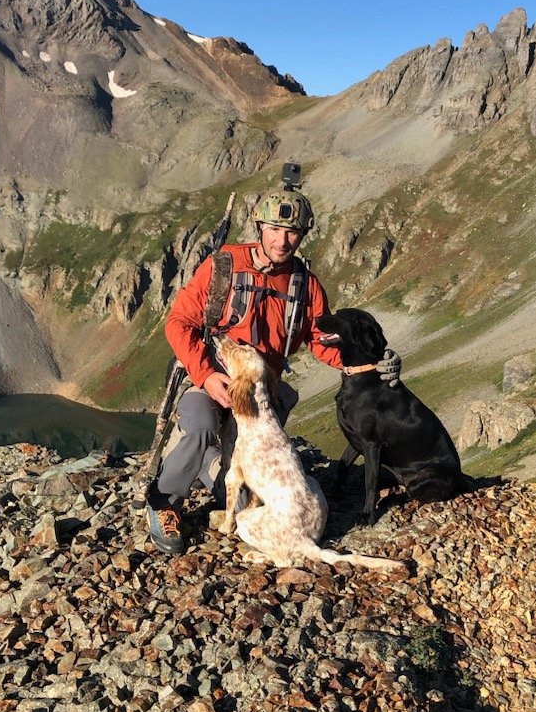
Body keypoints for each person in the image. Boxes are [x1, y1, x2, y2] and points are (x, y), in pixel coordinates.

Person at [146, 183, 399, 555]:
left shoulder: (305, 287)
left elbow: (321, 341)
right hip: (215, 376)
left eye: (292, 232)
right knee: (200, 426)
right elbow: (178, 322)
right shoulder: (224, 267)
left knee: (242, 495)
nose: (282, 241)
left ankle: (211, 466)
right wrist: (204, 375)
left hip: (264, 395)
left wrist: (373, 365)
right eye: (275, 230)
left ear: (302, 235)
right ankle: (163, 503)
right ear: (260, 227)